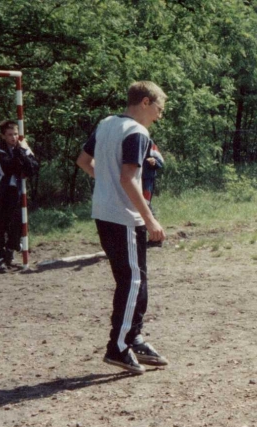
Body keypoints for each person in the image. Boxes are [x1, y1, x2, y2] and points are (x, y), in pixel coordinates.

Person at [76, 81, 169, 374]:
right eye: (158, 108)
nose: (159, 115)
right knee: (131, 283)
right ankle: (117, 347)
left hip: (105, 213)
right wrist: (150, 219)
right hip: (124, 217)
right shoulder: (137, 132)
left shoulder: (106, 123)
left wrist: (104, 184)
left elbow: (83, 161)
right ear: (144, 102)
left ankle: (133, 337)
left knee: (135, 279)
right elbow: (129, 179)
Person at [0, 120, 39, 273]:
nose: (13, 137)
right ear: (3, 136)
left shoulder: (23, 148)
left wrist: (23, 153)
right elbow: (11, 167)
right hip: (0, 193)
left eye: (15, 134)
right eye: (9, 135)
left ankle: (10, 250)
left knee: (17, 223)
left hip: (16, 193)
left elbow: (33, 168)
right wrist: (22, 154)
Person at [142, 140, 164, 247]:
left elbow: (160, 160)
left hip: (146, 180)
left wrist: (154, 162)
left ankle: (156, 238)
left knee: (146, 206)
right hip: (129, 180)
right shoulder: (125, 139)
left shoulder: (149, 142)